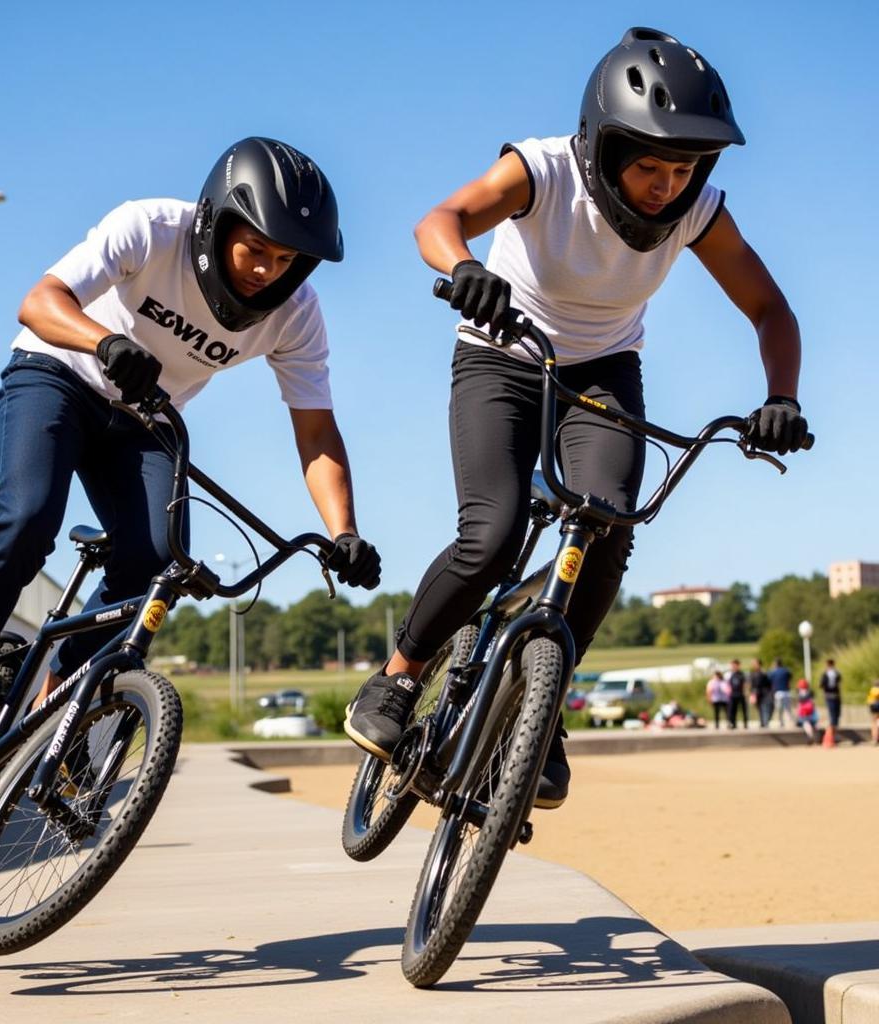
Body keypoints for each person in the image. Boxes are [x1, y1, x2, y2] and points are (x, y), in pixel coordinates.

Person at [344, 26, 809, 809]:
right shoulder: (544, 169)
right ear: (604, 142)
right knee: (489, 536)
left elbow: (769, 309)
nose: (667, 185)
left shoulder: (699, 211)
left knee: (610, 523)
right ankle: (396, 679)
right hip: (502, 353)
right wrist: (463, 269)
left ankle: (541, 706)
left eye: (685, 169)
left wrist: (782, 399)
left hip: (603, 374)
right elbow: (441, 219)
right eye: (650, 165)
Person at [0, 137, 382, 805]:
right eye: (256, 251)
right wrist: (105, 340)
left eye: (286, 259)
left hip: (144, 417)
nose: (268, 270)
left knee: (154, 561)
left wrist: (343, 530)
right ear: (218, 223)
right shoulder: (150, 228)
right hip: (58, 374)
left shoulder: (294, 316)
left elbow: (316, 431)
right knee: (27, 519)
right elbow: (39, 301)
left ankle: (54, 719)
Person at [818, 657, 842, 734]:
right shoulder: (836, 673)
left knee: (832, 711)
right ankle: (834, 725)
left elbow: (821, 684)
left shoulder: (826, 673)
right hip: (835, 694)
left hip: (829, 694)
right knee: (836, 711)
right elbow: (839, 681)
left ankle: (833, 726)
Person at [748, 656, 772, 728]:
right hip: (756, 694)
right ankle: (762, 723)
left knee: (765, 708)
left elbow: (768, 684)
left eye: (755, 663)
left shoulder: (763, 673)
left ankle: (765, 723)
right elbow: (751, 685)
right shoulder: (752, 673)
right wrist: (751, 693)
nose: (753, 665)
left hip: (764, 694)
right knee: (760, 709)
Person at [769, 658, 794, 728]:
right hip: (786, 692)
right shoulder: (786, 671)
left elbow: (769, 680)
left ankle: (781, 722)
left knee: (779, 709)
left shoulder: (773, 672)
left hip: (778, 693)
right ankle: (790, 723)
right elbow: (790, 677)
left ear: (776, 664)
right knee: (788, 709)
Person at [725, 658, 748, 729]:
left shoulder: (742, 674)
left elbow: (745, 684)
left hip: (740, 694)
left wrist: (746, 692)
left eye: (734, 665)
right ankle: (733, 724)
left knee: (743, 710)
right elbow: (727, 684)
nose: (733, 667)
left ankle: (745, 724)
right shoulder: (730, 674)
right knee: (732, 710)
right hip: (733, 695)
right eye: (732, 665)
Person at [796, 680, 819, 745]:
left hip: (804, 712)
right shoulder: (811, 692)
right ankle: (816, 738)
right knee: (813, 724)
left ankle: (811, 736)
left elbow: (799, 705)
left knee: (805, 723)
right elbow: (813, 703)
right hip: (811, 712)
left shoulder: (800, 694)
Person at [867, 679, 879, 746]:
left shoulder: (872, 690)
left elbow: (869, 701)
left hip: (874, 707)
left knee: (874, 723)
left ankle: (874, 739)